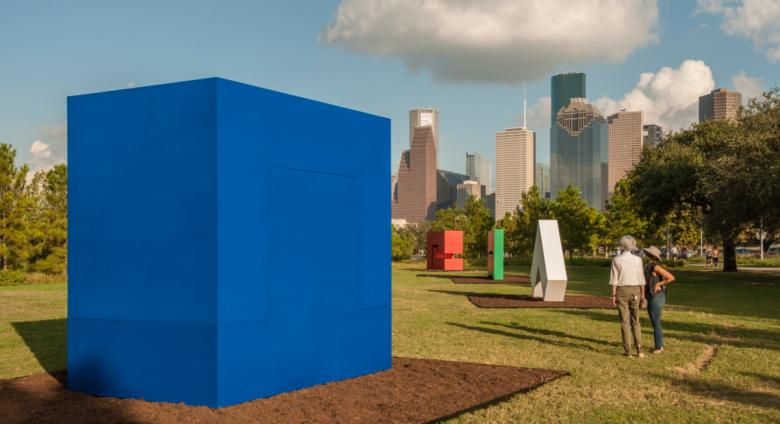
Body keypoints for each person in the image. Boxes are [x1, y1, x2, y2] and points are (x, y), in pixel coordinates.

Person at [610, 236, 646, 358]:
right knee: (636, 321)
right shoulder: (638, 260)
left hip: (621, 291)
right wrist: (643, 296)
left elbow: (614, 280)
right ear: (633, 245)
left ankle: (628, 350)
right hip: (636, 290)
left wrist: (613, 295)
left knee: (624, 322)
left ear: (621, 245)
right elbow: (641, 279)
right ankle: (640, 349)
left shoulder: (616, 260)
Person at [642, 246, 675, 354]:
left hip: (656, 296)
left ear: (651, 255)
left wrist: (658, 284)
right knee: (655, 321)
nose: (645, 254)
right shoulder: (649, 266)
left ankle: (659, 347)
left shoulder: (655, 267)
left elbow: (671, 277)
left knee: (656, 322)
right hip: (652, 296)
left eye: (647, 253)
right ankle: (659, 345)